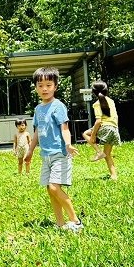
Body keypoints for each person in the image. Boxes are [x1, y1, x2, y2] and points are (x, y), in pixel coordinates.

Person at [26, 67, 83, 232]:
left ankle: (75, 221)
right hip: (46, 156)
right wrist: (30, 151)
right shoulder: (37, 109)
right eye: (41, 85)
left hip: (60, 154)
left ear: (55, 86)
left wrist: (68, 144)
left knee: (54, 187)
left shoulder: (58, 106)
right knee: (50, 190)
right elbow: (37, 132)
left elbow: (64, 128)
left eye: (49, 85)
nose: (44, 88)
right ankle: (60, 223)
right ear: (36, 87)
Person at [82, 80, 121, 181]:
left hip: (105, 127)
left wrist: (93, 135)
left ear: (93, 92)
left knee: (86, 133)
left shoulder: (97, 104)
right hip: (114, 129)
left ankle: (98, 152)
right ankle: (114, 176)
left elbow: (98, 121)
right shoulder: (111, 101)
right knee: (107, 154)